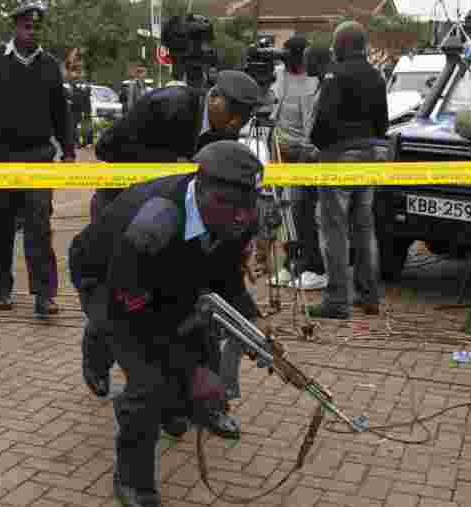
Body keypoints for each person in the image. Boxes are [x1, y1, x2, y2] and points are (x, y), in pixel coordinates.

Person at [70, 140, 263, 507]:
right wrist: (190, 373)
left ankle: (187, 408)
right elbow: (139, 318)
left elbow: (224, 276)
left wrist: (250, 319)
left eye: (247, 205)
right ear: (201, 190)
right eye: (232, 206)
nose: (242, 217)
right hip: (111, 283)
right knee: (150, 382)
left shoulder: (238, 215)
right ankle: (133, 482)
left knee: (202, 343)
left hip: (171, 277)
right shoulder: (150, 225)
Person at [0, 3, 74, 318]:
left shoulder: (49, 66)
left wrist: (68, 150)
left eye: (37, 27)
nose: (32, 32)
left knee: (39, 226)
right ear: (15, 28)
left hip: (37, 157)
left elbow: (61, 112)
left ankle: (44, 295)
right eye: (27, 26)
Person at [92, 69, 264, 221]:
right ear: (213, 97)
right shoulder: (168, 104)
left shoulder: (226, 129)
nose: (236, 122)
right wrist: (171, 163)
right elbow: (106, 148)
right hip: (118, 203)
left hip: (165, 212)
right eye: (233, 111)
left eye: (245, 116)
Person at [309, 21, 389, 319]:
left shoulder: (334, 74)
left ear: (340, 46)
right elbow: (383, 122)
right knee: (364, 226)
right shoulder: (377, 76)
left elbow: (324, 119)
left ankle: (337, 301)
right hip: (370, 154)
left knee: (335, 227)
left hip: (339, 155)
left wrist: (318, 145)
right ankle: (370, 297)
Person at [269, 34, 325, 290]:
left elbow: (314, 121)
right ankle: (288, 263)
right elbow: (268, 107)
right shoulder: (278, 75)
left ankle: (312, 265)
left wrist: (309, 149)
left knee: (301, 209)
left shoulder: (314, 80)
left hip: (305, 151)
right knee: (281, 210)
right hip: (279, 149)